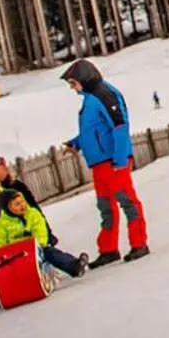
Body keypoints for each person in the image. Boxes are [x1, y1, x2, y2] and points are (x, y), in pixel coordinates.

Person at [61, 59, 149, 265]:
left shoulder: (105, 95)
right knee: (105, 206)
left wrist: (119, 159)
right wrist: (75, 143)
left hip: (112, 162)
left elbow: (119, 126)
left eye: (73, 84)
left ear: (84, 79)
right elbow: (92, 131)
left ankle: (139, 243)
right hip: (99, 164)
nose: (73, 89)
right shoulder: (90, 99)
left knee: (127, 201)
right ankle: (108, 249)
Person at [0, 189, 89, 311]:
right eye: (16, 204)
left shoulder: (32, 214)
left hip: (35, 250)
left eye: (22, 202)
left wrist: (39, 242)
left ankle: (74, 266)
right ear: (8, 208)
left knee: (51, 253)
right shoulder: (3, 224)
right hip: (14, 256)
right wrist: (0, 252)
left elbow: (40, 229)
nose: (22, 206)